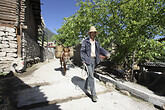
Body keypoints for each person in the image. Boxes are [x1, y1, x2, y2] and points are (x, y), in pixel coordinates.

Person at [80, 26, 110, 102]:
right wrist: (83, 60)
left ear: (95, 33)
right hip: (88, 60)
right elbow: (82, 51)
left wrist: (106, 53)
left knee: (90, 75)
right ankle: (94, 94)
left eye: (94, 32)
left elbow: (100, 49)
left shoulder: (97, 43)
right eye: (91, 33)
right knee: (91, 76)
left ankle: (86, 86)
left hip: (94, 60)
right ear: (89, 34)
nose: (93, 34)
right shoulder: (85, 42)